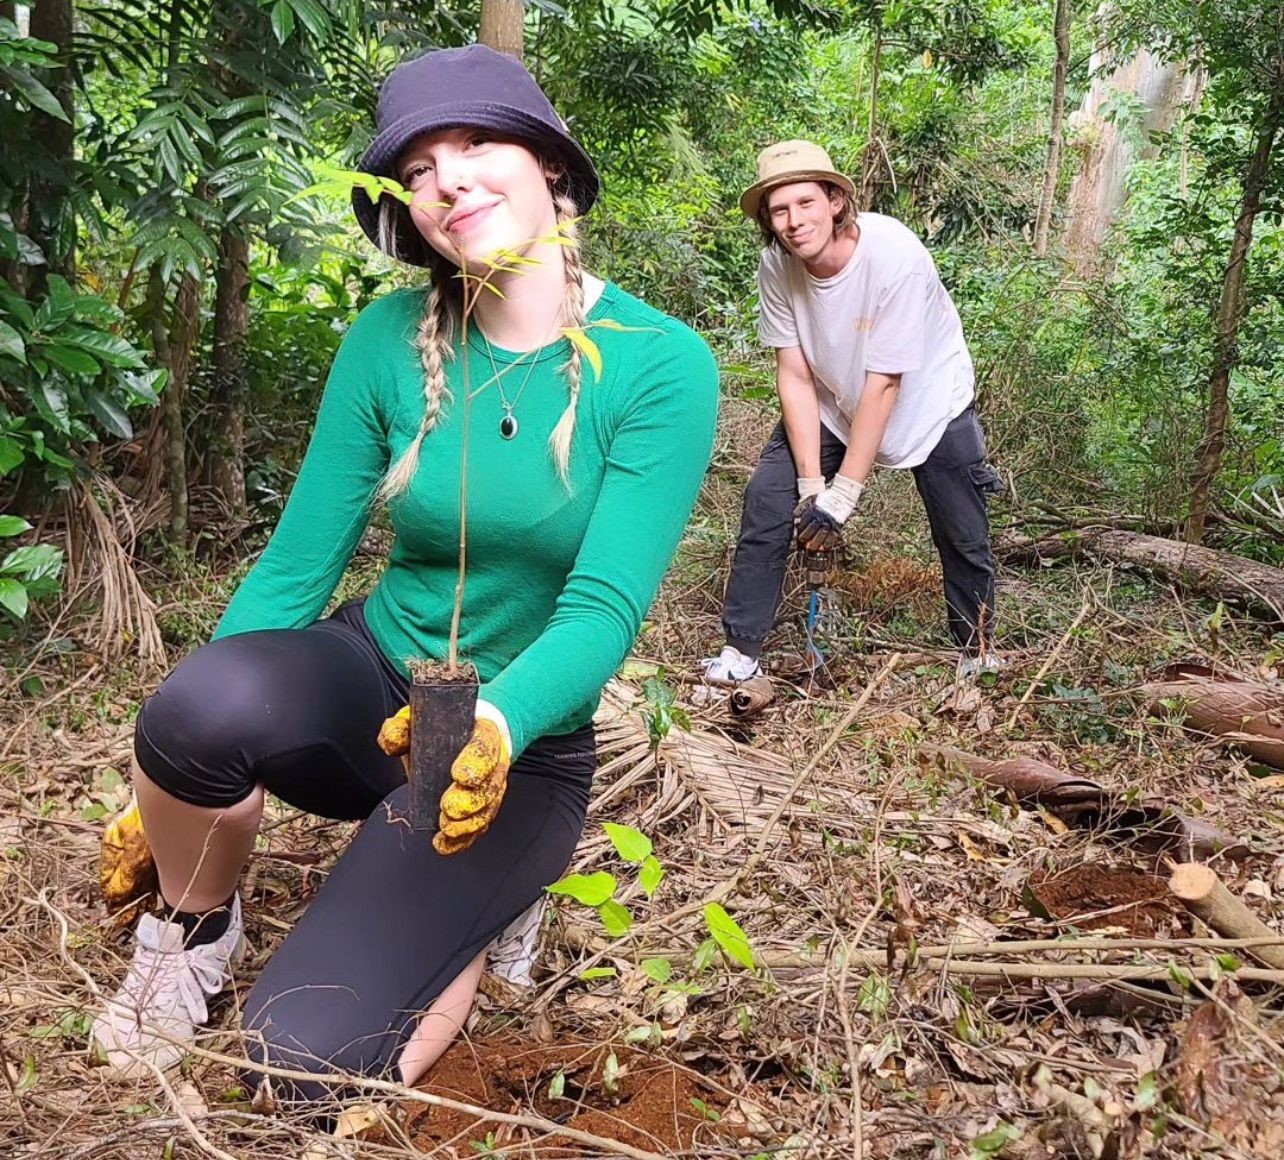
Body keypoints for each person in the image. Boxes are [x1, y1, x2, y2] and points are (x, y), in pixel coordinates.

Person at [91, 44, 720, 1102]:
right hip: (375, 673)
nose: (451, 178)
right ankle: (187, 926)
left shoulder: (658, 363)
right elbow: (298, 564)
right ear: (406, 207)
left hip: (513, 739)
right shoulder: (389, 339)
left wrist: (500, 725)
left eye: (478, 143)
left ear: (550, 168)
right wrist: (169, 781)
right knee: (196, 706)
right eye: (421, 167)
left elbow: (603, 607)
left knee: (301, 1063)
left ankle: (482, 902)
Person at [703, 140, 1002, 684]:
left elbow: (885, 384)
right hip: (833, 399)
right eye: (779, 210)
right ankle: (740, 652)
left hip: (929, 402)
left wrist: (844, 495)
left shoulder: (896, 258)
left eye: (806, 203)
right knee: (767, 501)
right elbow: (793, 373)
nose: (795, 222)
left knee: (961, 531)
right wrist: (811, 486)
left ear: (836, 200)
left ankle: (976, 650)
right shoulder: (777, 266)